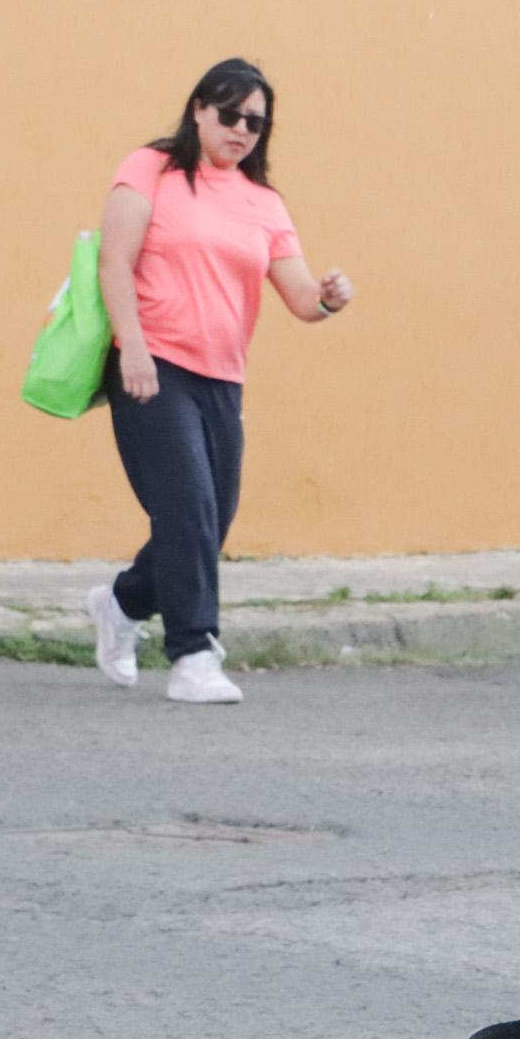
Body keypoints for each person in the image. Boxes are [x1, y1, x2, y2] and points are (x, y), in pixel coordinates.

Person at [84, 58, 354, 704]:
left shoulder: (264, 203)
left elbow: (298, 296)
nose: (240, 130)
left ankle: (121, 605)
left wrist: (328, 298)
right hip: (153, 367)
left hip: (221, 380)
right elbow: (114, 261)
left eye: (255, 122)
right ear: (199, 108)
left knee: (209, 518)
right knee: (187, 508)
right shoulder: (151, 169)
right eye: (229, 114)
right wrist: (134, 350)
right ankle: (193, 653)